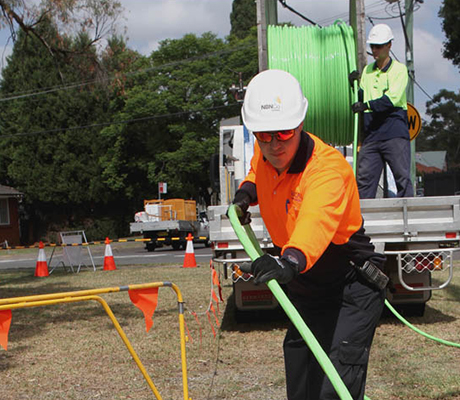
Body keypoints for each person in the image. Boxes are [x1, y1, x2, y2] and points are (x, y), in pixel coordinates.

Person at [231, 69, 386, 400]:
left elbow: (316, 220)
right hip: (307, 289)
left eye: (283, 133)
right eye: (264, 135)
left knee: (333, 390)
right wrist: (246, 193)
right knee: (301, 386)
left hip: (350, 289)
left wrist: (289, 260)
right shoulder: (266, 150)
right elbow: (258, 169)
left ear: (300, 124)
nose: (274, 144)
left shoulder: (328, 170)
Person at [350, 23, 414, 199]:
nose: (375, 50)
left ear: (389, 46)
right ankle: (364, 223)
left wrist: (366, 106)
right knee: (364, 181)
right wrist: (353, 85)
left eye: (379, 46)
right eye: (372, 46)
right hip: (372, 135)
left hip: (393, 131)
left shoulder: (399, 70)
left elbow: (391, 99)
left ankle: (407, 224)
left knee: (402, 179)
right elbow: (362, 96)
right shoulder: (367, 71)